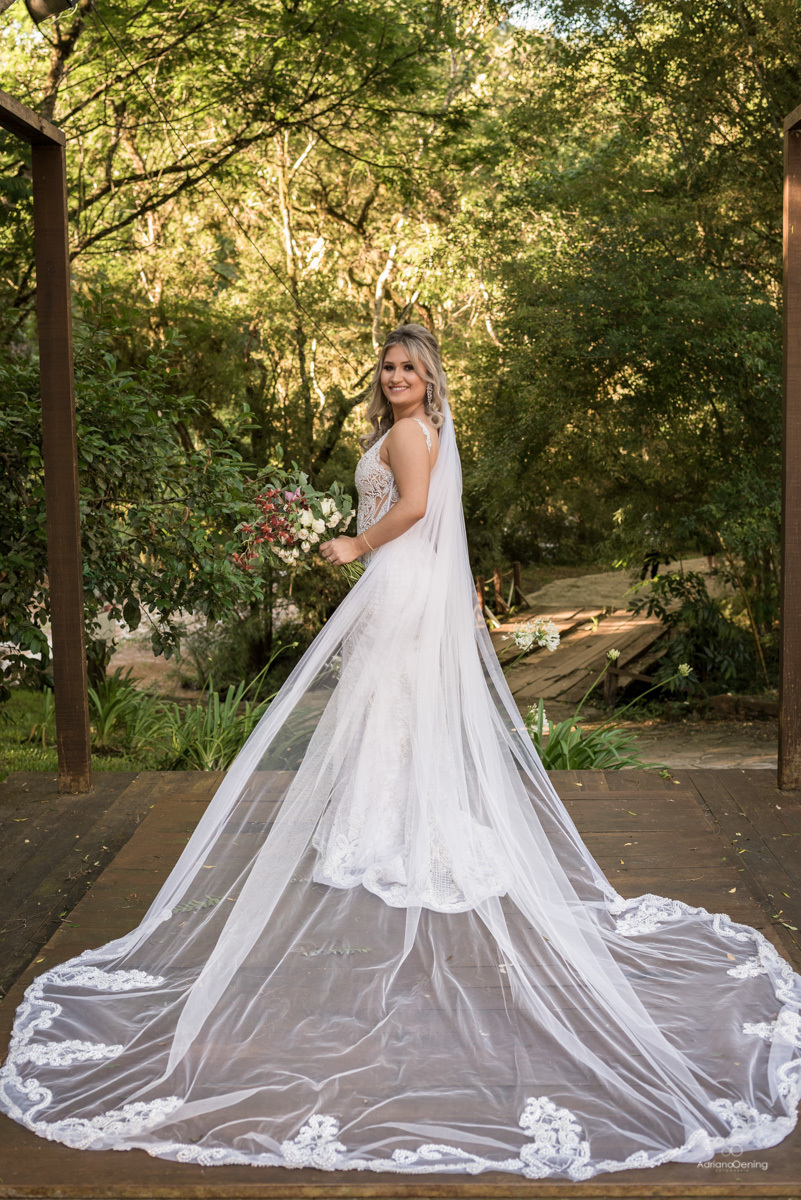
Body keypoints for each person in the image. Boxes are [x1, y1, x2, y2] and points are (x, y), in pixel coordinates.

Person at [0, 325, 798, 1180]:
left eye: (409, 368)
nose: (396, 378)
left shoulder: (415, 434)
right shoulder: (400, 429)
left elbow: (412, 510)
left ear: (429, 379)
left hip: (402, 578)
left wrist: (353, 542)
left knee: (392, 704)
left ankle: (401, 833)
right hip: (399, 583)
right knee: (390, 711)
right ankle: (390, 825)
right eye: (387, 366)